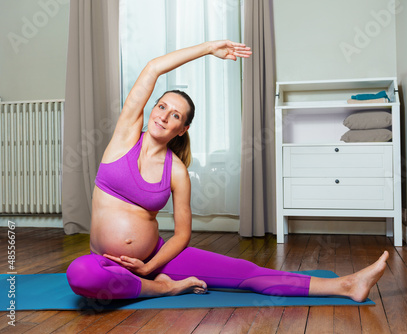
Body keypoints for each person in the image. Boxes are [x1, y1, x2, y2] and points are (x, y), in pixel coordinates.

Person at [66, 40, 389, 301]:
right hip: (106, 262)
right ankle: (164, 287)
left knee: (246, 272)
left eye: (175, 115)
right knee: (81, 275)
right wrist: (208, 49)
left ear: (183, 128)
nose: (165, 116)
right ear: (152, 109)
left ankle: (346, 285)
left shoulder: (176, 171)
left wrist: (150, 265)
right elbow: (152, 69)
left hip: (156, 258)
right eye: (162, 106)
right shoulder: (124, 139)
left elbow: (182, 234)